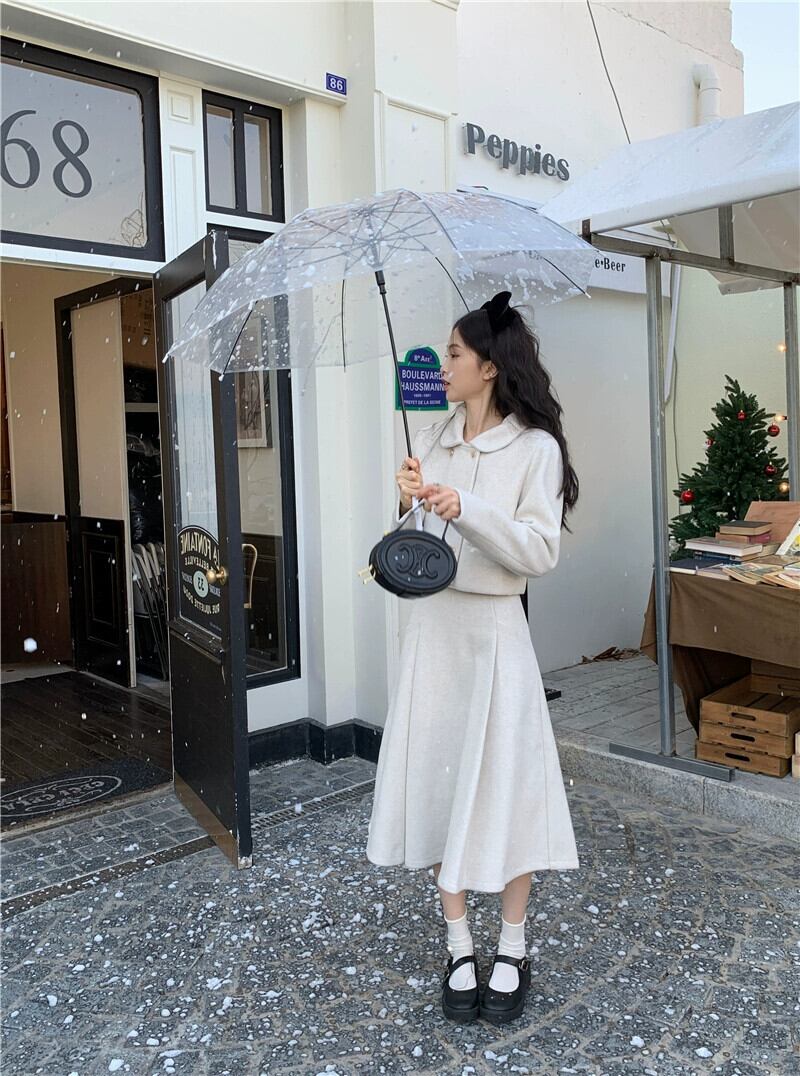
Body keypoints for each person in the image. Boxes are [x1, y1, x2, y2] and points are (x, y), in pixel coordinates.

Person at [365, 290, 581, 1025]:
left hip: (494, 636)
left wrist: (469, 508)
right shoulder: (432, 439)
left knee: (507, 790)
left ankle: (513, 946)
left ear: (489, 367)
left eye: (454, 353)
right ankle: (459, 943)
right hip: (432, 634)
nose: (443, 365)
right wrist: (408, 502)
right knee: (437, 783)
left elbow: (538, 552)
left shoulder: (535, 449)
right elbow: (414, 549)